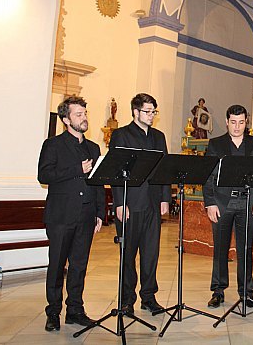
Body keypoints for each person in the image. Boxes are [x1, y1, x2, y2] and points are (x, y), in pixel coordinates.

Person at [38, 96, 105, 331]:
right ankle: (53, 312)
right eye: (78, 114)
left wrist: (99, 213)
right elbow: (44, 175)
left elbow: (97, 183)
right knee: (57, 265)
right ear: (66, 119)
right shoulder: (53, 145)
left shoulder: (93, 148)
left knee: (79, 265)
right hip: (61, 216)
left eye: (85, 113)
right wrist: (77, 169)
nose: (84, 118)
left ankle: (75, 310)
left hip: (86, 216)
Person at [109, 93, 171, 315]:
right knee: (128, 255)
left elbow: (164, 168)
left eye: (154, 111)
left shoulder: (158, 136)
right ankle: (127, 300)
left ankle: (149, 297)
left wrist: (165, 197)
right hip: (130, 203)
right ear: (135, 112)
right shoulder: (121, 135)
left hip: (153, 203)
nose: (152, 115)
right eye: (147, 111)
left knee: (151, 254)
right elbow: (115, 171)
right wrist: (119, 202)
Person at [203, 105, 253, 308]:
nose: (237, 126)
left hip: (247, 202)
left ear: (246, 122)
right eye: (233, 122)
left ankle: (246, 292)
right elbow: (208, 176)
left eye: (241, 122)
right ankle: (218, 291)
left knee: (245, 249)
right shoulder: (216, 144)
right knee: (220, 249)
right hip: (222, 203)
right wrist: (210, 203)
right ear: (227, 122)